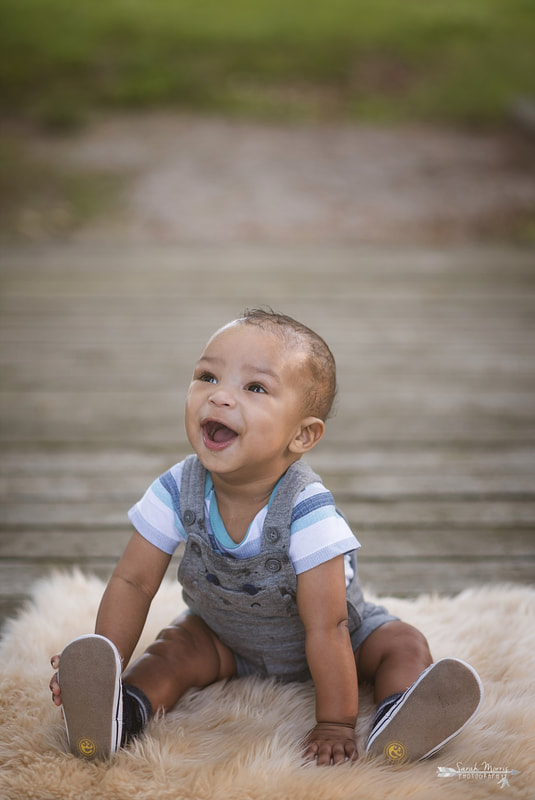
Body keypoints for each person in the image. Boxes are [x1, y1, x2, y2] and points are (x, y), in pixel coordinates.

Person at [50, 308, 482, 766]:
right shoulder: (178, 488)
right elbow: (133, 582)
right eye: (207, 376)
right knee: (172, 652)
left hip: (340, 641)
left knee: (402, 644)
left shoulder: (307, 509)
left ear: (301, 435)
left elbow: (327, 625)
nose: (219, 398)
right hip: (222, 637)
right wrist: (107, 660)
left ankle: (403, 717)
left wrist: (335, 722)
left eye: (254, 387)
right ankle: (119, 709)